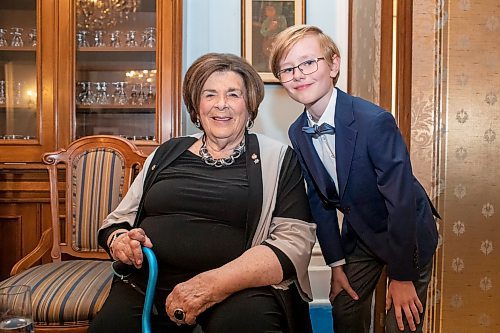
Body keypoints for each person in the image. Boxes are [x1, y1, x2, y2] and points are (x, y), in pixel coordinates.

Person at [88, 52, 316, 333]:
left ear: (250, 105)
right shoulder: (167, 152)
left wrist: (212, 285)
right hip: (149, 285)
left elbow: (294, 244)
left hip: (236, 289)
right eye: (210, 95)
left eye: (233, 94)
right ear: (196, 106)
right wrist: (120, 241)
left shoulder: (278, 158)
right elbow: (117, 220)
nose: (222, 104)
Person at [269, 25, 440, 333]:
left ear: (334, 64)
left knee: (401, 321)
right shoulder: (298, 131)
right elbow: (318, 202)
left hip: (407, 231)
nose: (299, 74)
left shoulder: (374, 122)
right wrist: (336, 264)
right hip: (361, 233)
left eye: (308, 62)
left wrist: (401, 277)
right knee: (345, 308)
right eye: (287, 69)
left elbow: (400, 202)